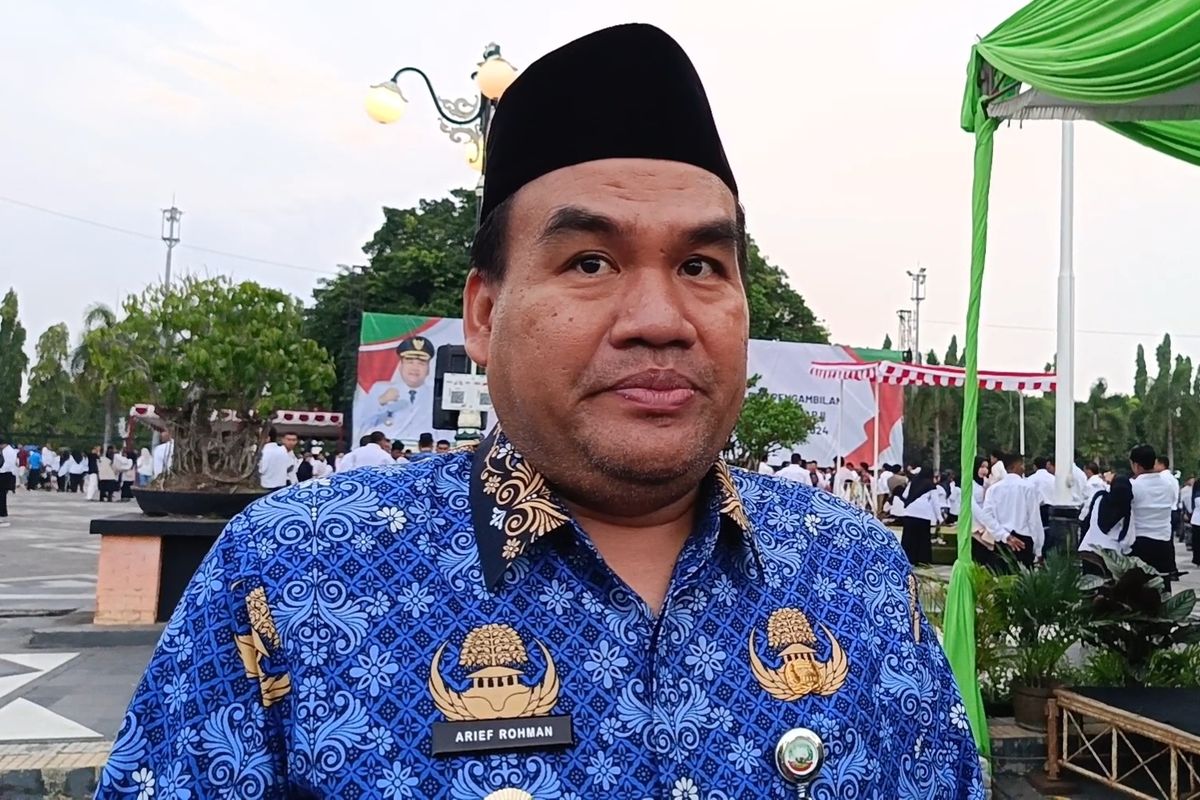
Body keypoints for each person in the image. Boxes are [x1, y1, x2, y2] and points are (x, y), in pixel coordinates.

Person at [97, 25, 981, 798]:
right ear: (484, 316)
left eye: (701, 267)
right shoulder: (291, 577)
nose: (659, 320)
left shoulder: (856, 575)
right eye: (590, 263)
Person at [1129, 444, 1178, 588]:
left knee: (1140, 587)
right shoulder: (1168, 484)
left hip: (1140, 541)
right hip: (1164, 541)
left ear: (1136, 466)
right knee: (1163, 583)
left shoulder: (1133, 486)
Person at [981, 453, 1042, 569]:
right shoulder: (1028, 487)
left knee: (1002, 576)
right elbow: (1034, 519)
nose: (1023, 468)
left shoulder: (993, 489)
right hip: (1024, 541)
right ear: (1014, 466)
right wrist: (1038, 549)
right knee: (1023, 577)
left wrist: (1004, 535)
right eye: (1021, 465)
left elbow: (987, 517)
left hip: (1002, 540)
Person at [1078, 475, 1134, 576]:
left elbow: (1086, 521)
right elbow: (1127, 538)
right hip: (1110, 556)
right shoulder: (1127, 509)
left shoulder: (1099, 497)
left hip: (1089, 549)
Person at [898, 464, 941, 565]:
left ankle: (908, 559)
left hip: (909, 513)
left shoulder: (913, 482)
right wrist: (940, 517)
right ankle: (922, 560)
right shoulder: (931, 485)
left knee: (909, 538)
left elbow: (904, 495)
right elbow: (935, 502)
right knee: (923, 538)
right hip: (923, 515)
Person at [0, 438, 16, 527]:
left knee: (1, 496)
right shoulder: (8, 450)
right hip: (5, 474)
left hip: (4, 474)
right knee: (2, 496)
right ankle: (2, 514)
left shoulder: (8, 451)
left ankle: (2, 515)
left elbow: (7, 464)